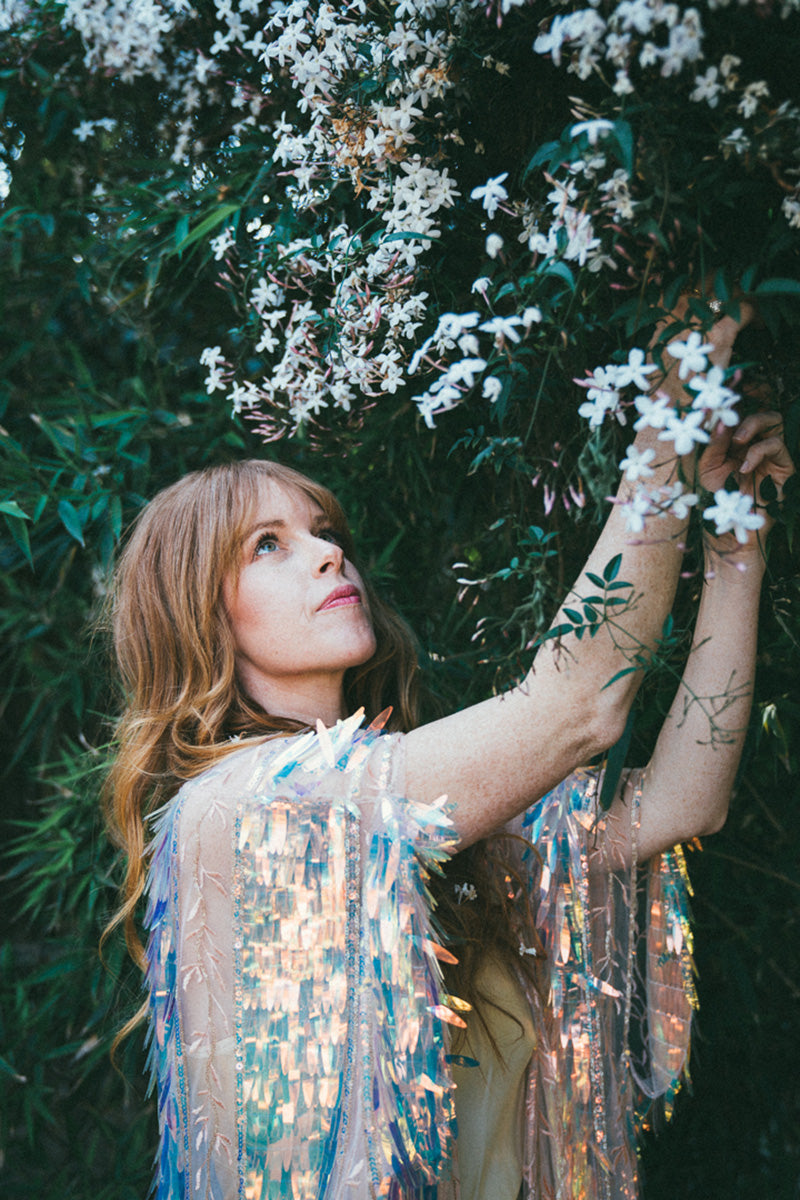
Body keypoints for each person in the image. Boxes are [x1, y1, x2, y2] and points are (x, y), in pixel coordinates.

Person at [104, 301, 793, 1200]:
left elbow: (679, 805)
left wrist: (736, 549)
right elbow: (575, 707)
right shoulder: (238, 807)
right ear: (197, 614)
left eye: (325, 533)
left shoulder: (420, 812)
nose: (327, 556)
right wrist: (665, 416)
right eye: (269, 546)